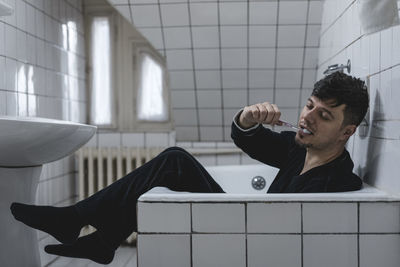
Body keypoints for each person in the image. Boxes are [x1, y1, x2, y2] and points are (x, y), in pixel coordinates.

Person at [9, 72, 369, 264]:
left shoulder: (339, 183)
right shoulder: (298, 149)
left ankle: (87, 230)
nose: (307, 118)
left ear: (347, 131)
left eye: (323, 116)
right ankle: (96, 236)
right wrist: (247, 116)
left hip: (253, 243)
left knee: (175, 161)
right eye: (309, 106)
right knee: (175, 159)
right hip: (247, 228)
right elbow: (247, 138)